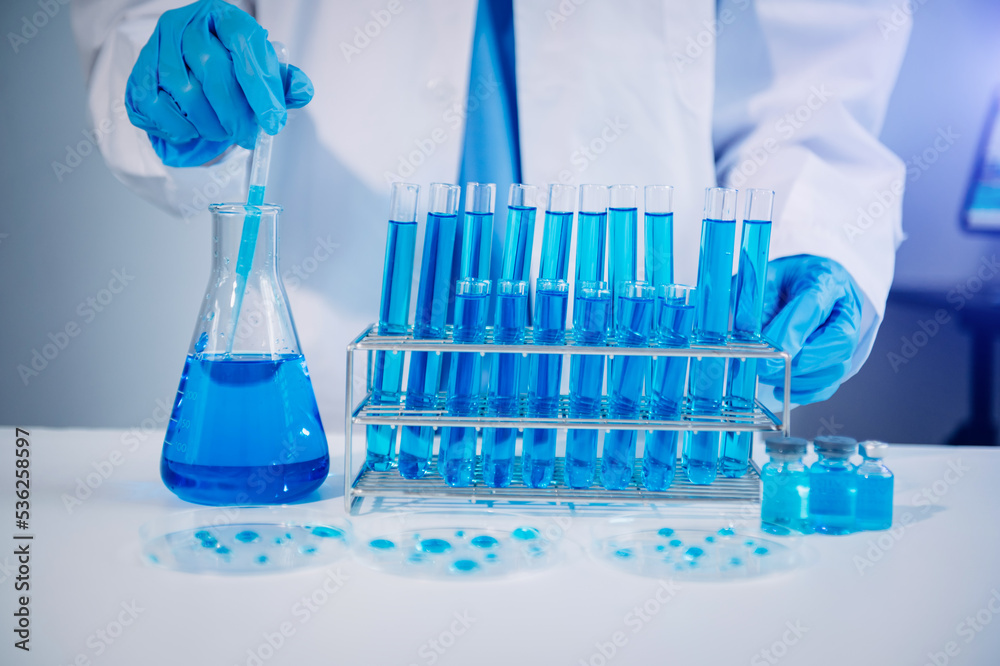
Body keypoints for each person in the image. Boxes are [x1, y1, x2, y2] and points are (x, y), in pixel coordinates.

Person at [72, 0, 911, 424]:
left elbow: (816, 78)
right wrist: (171, 75)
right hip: (344, 381)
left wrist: (816, 232)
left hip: (645, 397)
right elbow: (139, 26)